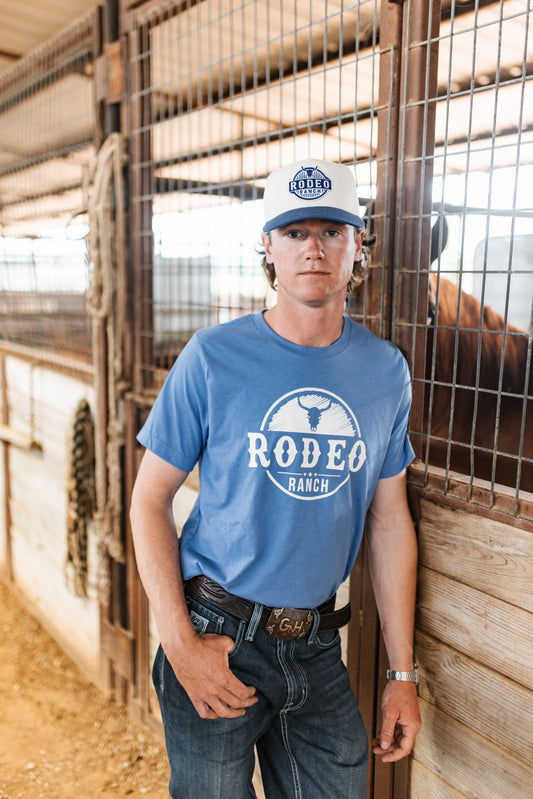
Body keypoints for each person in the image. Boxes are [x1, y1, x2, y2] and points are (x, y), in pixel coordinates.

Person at [130, 158, 421, 799]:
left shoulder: (384, 372)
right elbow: (149, 502)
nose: (312, 249)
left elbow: (390, 519)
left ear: (358, 244)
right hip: (217, 635)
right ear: (267, 245)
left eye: (331, 231)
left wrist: (403, 672)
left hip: (317, 645)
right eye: (293, 233)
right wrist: (179, 643)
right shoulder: (213, 356)